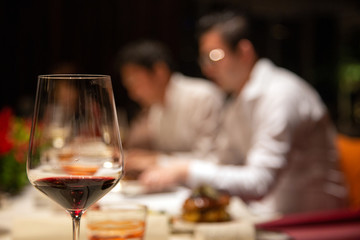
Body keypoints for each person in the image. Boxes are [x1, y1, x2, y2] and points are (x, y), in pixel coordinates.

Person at [138, 11, 348, 216]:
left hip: (313, 222)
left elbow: (259, 183)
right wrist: (169, 165)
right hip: (266, 214)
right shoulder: (238, 101)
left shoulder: (280, 94)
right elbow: (223, 161)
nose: (207, 69)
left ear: (244, 51)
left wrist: (185, 170)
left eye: (214, 57)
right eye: (204, 59)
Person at [117, 40, 224, 186]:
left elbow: (210, 159)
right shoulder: (156, 109)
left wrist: (155, 160)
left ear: (159, 72)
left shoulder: (202, 96)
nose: (132, 93)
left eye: (134, 82)